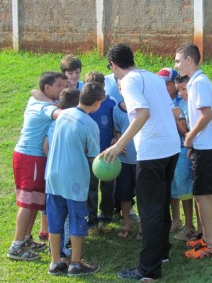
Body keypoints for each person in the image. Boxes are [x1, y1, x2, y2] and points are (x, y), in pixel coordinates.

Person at [101, 44, 181, 281]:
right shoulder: (154, 78)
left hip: (153, 152)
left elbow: (143, 113)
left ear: (114, 65)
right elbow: (170, 111)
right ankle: (162, 253)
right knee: (162, 203)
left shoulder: (128, 81)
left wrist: (118, 145)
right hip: (171, 148)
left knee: (149, 211)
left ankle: (149, 270)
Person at [45, 82, 105, 276]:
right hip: (75, 181)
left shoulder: (62, 115)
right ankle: (76, 264)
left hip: (53, 176)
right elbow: (93, 158)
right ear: (97, 103)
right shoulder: (90, 124)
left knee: (55, 219)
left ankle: (55, 262)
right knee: (78, 219)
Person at [7, 72, 64, 261]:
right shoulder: (43, 107)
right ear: (47, 88)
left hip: (32, 158)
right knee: (26, 202)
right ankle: (15, 247)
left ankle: (25, 238)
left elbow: (34, 91)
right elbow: (61, 115)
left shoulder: (37, 98)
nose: (62, 90)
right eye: (59, 87)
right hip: (30, 158)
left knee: (34, 201)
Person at [174, 43, 212, 259]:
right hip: (205, 148)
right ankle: (208, 238)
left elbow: (207, 115)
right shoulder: (196, 82)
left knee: (203, 195)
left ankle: (211, 245)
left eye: (178, 61)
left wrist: (190, 137)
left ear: (189, 60)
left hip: (205, 148)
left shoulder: (199, 83)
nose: (176, 65)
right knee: (206, 194)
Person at [41, 87, 80, 259]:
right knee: (63, 216)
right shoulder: (73, 122)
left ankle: (54, 248)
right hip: (66, 175)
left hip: (51, 172)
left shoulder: (52, 122)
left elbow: (45, 147)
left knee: (53, 212)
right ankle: (61, 250)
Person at [85, 71, 117, 236]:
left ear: (105, 86)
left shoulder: (111, 103)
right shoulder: (84, 104)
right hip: (90, 155)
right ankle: (91, 222)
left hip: (107, 154)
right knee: (91, 188)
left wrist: (115, 139)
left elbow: (115, 124)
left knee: (108, 188)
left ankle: (105, 219)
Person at [113, 79, 141, 240]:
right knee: (124, 195)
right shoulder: (116, 109)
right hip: (123, 160)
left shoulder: (141, 109)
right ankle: (127, 225)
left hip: (140, 160)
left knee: (143, 195)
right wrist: (118, 142)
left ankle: (142, 228)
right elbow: (117, 130)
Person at [157, 67, 183, 233]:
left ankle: (184, 221)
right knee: (169, 186)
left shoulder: (183, 100)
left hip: (181, 147)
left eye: (168, 84)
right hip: (165, 149)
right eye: (162, 84)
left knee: (181, 187)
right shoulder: (158, 101)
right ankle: (174, 219)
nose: (165, 87)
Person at [171, 75, 196, 241]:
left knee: (184, 188)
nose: (180, 92)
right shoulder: (174, 103)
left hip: (184, 150)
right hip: (170, 150)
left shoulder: (189, 104)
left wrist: (178, 118)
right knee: (173, 187)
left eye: (183, 89)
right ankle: (176, 221)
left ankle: (189, 226)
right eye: (178, 88)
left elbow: (185, 132)